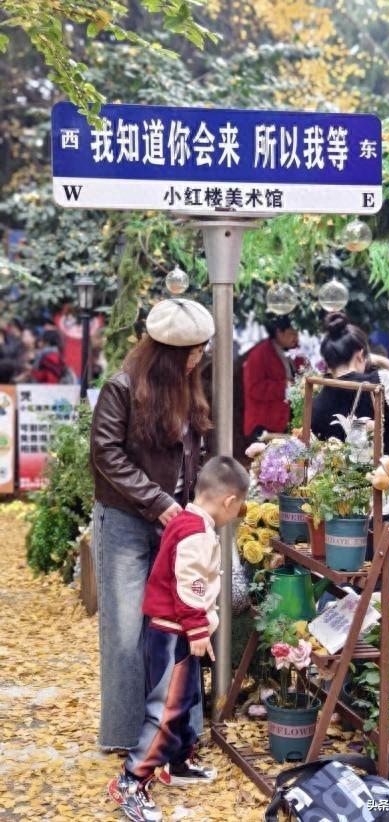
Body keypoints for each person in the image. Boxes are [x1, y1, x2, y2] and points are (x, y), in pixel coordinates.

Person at [90, 298, 215, 752]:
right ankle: (126, 737)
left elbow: (194, 456)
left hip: (176, 524)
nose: (199, 359)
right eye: (193, 352)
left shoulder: (189, 387)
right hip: (124, 521)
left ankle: (181, 729)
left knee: (180, 622)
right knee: (125, 633)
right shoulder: (121, 387)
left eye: (201, 350)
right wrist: (155, 501)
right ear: (168, 354)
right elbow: (106, 454)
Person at [108, 456, 249, 821]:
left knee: (184, 698)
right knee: (167, 708)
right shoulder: (196, 533)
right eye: (240, 508)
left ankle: (177, 761)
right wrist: (197, 627)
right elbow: (190, 583)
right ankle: (130, 780)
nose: (237, 516)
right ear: (229, 501)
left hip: (173, 630)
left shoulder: (185, 522)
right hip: (176, 631)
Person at [311, 312, 389, 605]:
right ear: (361, 353)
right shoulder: (381, 381)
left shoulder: (317, 401)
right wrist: (385, 362)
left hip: (352, 508)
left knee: (357, 580)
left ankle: (352, 637)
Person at [242, 316, 299, 441]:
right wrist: (286, 386)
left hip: (287, 421)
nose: (296, 337)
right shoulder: (259, 354)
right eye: (292, 333)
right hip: (264, 423)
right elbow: (254, 389)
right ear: (279, 332)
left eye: (297, 333)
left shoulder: (296, 353)